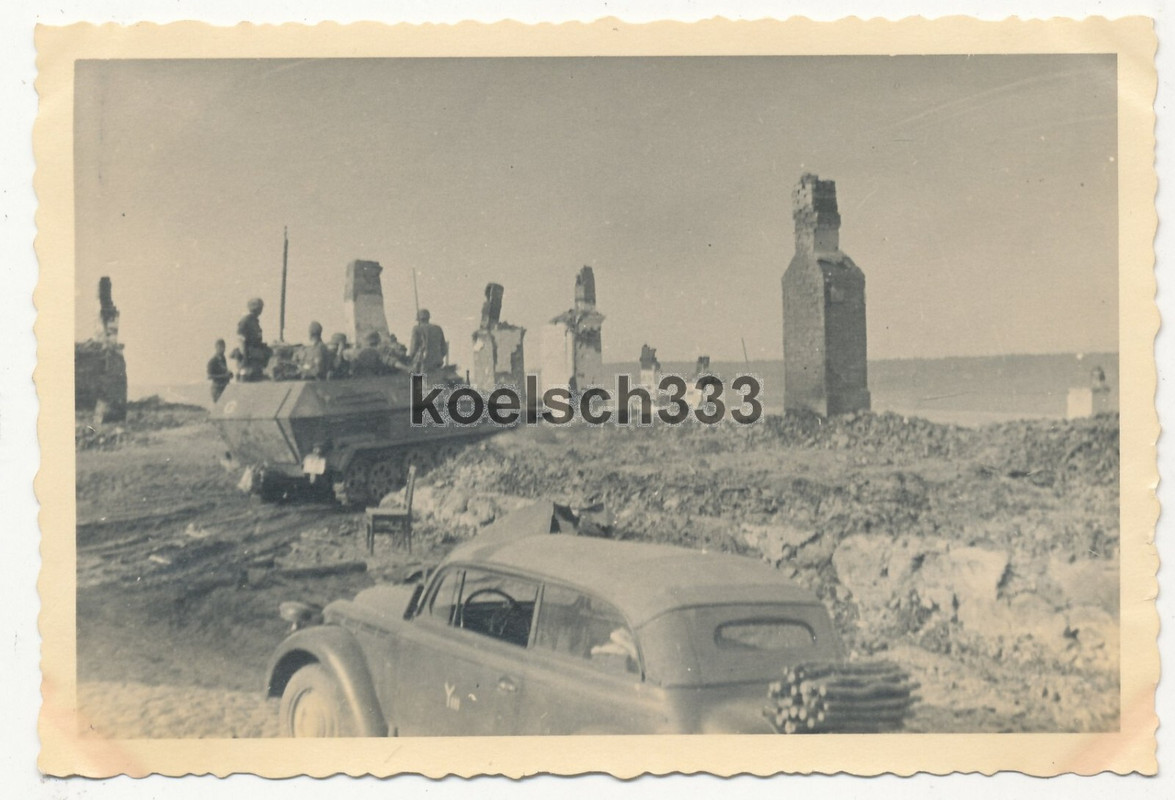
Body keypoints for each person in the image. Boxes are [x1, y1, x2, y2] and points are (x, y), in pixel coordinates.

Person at [235, 297, 272, 381]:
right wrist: (245, 357)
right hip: (249, 356)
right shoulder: (246, 321)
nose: (261, 310)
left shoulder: (254, 321)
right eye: (260, 307)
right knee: (247, 378)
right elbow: (241, 339)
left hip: (255, 355)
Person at [409, 308, 448, 373]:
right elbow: (444, 349)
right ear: (428, 318)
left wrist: (410, 359)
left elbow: (413, 348)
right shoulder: (438, 328)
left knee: (416, 379)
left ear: (418, 319)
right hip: (438, 363)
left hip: (423, 364)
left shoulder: (417, 329)